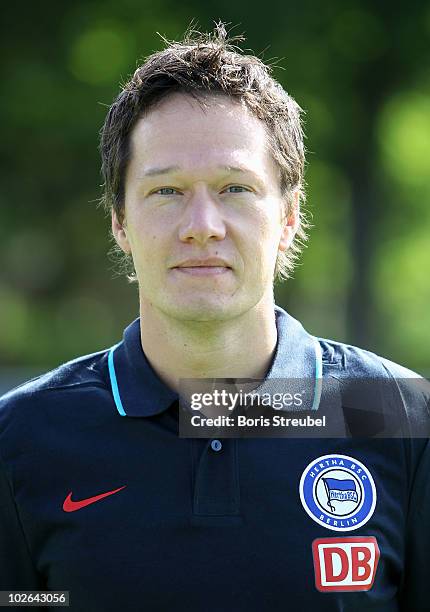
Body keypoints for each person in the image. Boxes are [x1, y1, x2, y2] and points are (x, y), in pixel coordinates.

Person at [0, 24, 429, 612]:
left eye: (234, 188)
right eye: (166, 191)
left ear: (288, 217)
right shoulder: (21, 439)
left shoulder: (402, 417)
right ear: (119, 220)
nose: (202, 224)